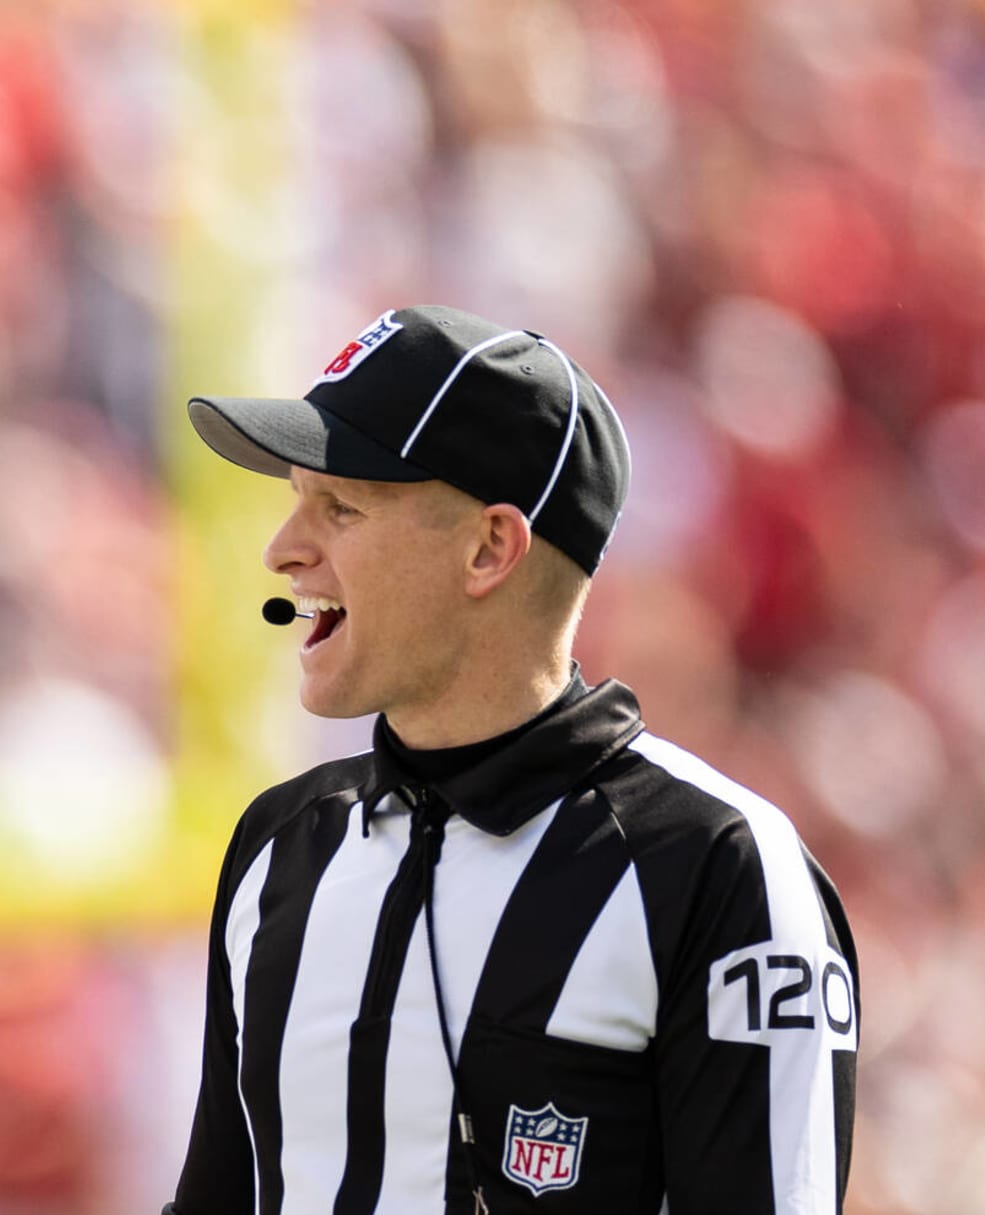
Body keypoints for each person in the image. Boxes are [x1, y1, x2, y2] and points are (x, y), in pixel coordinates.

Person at [167, 305, 857, 1213]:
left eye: (340, 505)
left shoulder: (716, 865)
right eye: (296, 500)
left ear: (491, 547)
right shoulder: (279, 843)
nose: (283, 550)